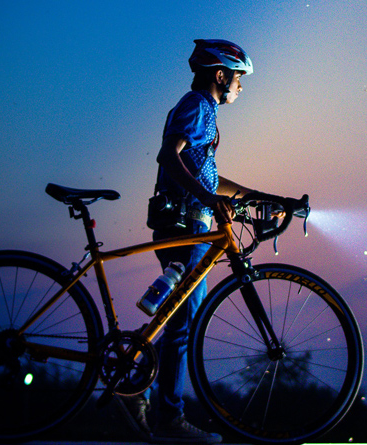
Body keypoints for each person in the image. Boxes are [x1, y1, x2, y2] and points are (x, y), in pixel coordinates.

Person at [116, 39, 255, 444]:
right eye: (239, 79)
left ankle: (136, 384)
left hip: (188, 225)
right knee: (183, 326)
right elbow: (169, 155)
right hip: (188, 229)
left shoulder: (202, 110)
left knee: (178, 320)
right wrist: (210, 198)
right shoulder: (197, 106)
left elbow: (207, 175)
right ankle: (169, 418)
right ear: (220, 75)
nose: (241, 88)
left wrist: (259, 197)